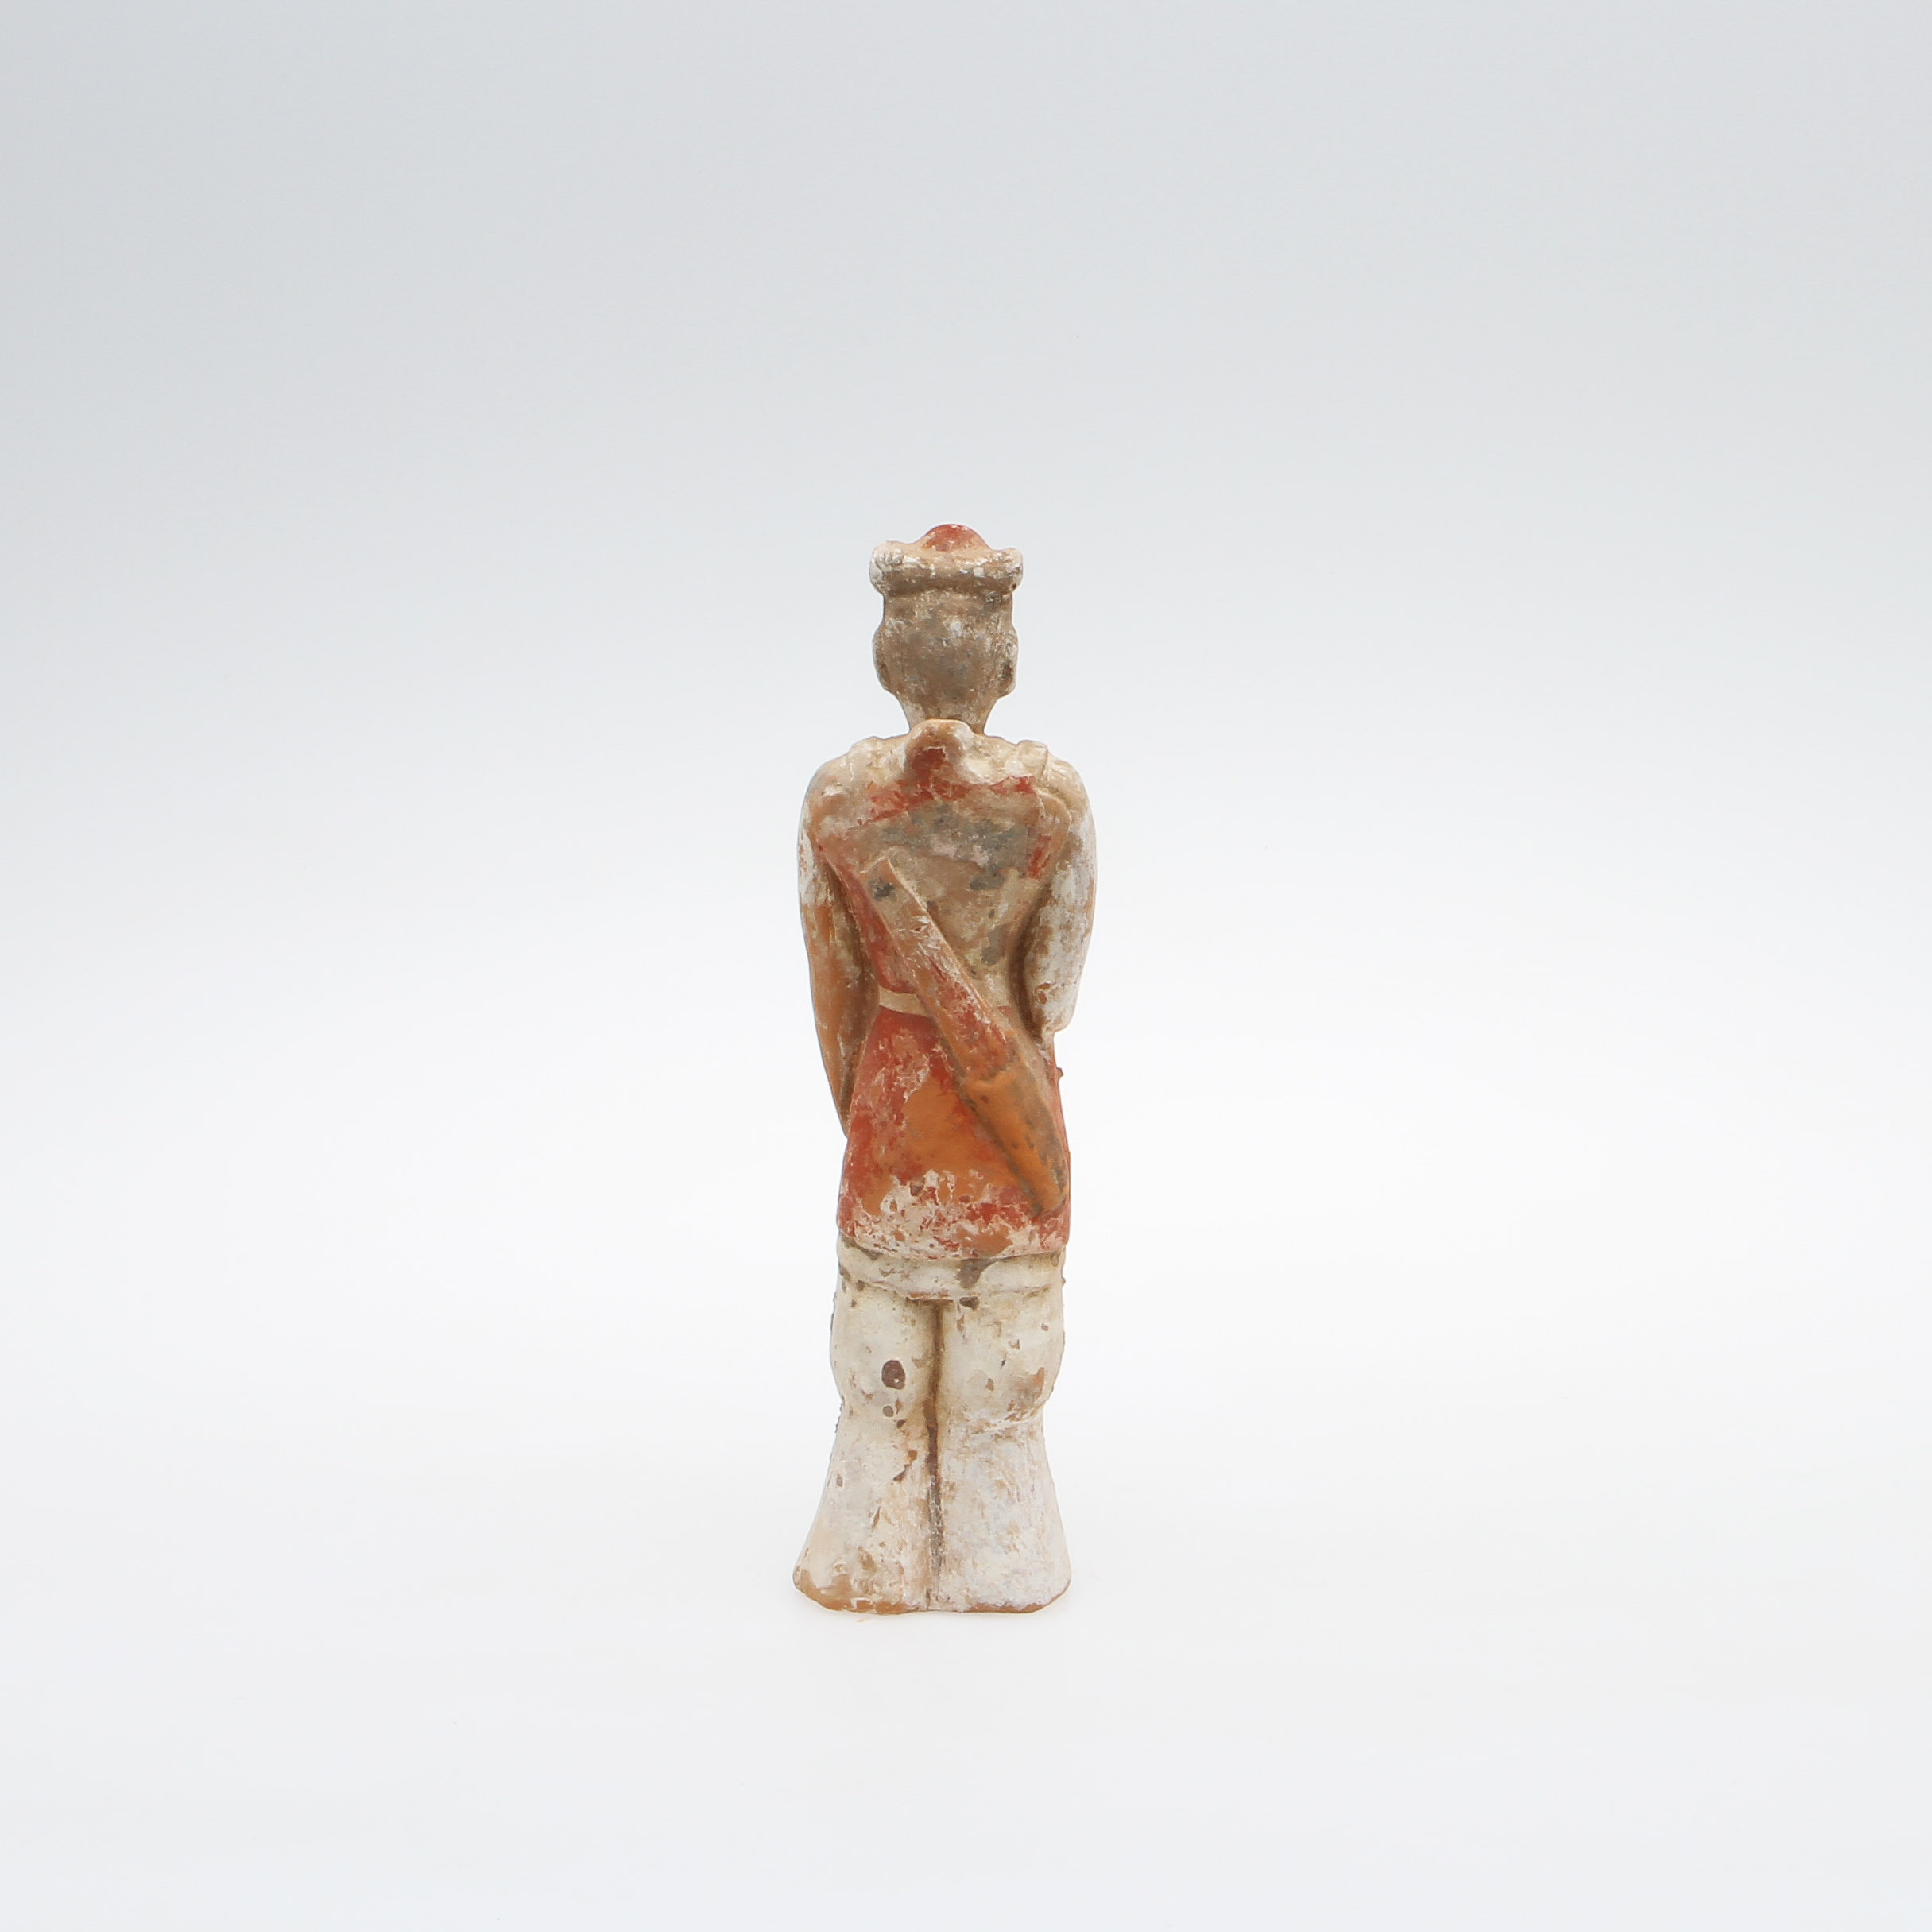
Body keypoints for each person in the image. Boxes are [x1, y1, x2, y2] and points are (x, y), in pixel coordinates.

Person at [793, 525, 1095, 1613]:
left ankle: (868, 1564)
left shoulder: (836, 799)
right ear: (1005, 660)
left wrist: (865, 1104)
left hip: (891, 1122)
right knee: (1000, 1387)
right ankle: (1003, 1563)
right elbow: (1051, 993)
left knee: (879, 1379)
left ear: (887, 658)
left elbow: (834, 992)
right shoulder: (1051, 801)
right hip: (1004, 1132)